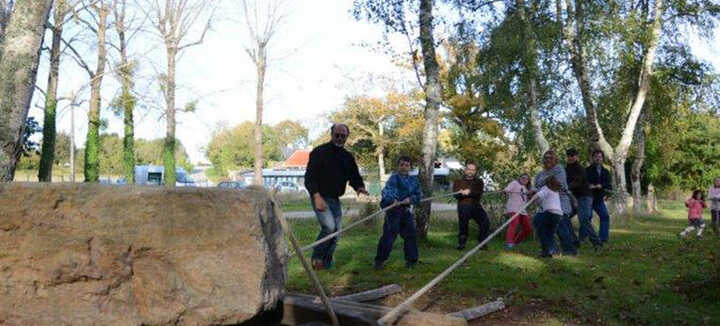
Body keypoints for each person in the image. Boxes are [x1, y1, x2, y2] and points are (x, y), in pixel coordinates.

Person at [304, 123, 369, 270]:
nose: (340, 138)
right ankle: (317, 258)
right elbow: (309, 178)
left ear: (347, 137)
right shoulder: (319, 152)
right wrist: (316, 196)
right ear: (331, 134)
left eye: (343, 136)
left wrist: (359, 187)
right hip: (319, 196)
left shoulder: (347, 157)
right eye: (337, 135)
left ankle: (326, 263)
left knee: (337, 232)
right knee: (329, 227)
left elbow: (354, 176)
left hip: (334, 199)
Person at [374, 156, 422, 270]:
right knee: (389, 236)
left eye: (406, 165)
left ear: (410, 167)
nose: (404, 167)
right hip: (393, 211)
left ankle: (411, 261)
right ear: (398, 166)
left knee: (410, 235)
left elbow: (418, 195)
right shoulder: (393, 178)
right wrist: (393, 200)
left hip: (406, 211)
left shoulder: (414, 180)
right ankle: (380, 260)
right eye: (401, 165)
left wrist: (410, 199)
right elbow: (387, 192)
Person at [533, 150, 577, 255]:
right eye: (546, 158)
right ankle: (552, 248)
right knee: (538, 222)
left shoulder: (558, 169)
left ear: (555, 160)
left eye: (550, 158)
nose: (548, 159)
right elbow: (536, 186)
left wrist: (543, 183)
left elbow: (557, 185)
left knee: (560, 226)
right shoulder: (540, 173)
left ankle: (570, 250)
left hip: (560, 202)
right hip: (545, 204)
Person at [565, 148, 602, 250]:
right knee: (564, 217)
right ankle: (574, 241)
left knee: (584, 219)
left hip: (585, 197)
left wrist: (566, 186)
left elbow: (577, 182)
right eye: (569, 155)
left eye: (573, 155)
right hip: (574, 198)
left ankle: (597, 243)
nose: (571, 157)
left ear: (577, 156)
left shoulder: (580, 168)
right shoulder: (566, 168)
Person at [452, 163, 489, 250]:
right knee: (463, 225)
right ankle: (461, 244)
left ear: (475, 171)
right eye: (469, 169)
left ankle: (482, 243)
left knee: (485, 222)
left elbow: (478, 193)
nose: (470, 171)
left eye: (472, 170)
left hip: (475, 206)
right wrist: (460, 193)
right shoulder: (458, 181)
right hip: (463, 206)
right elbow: (455, 195)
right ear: (465, 170)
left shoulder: (479, 182)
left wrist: (469, 192)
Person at [532, 176, 564, 258]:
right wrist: (537, 201)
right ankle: (554, 251)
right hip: (558, 214)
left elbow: (538, 195)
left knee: (541, 231)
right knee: (550, 233)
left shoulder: (546, 188)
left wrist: (532, 198)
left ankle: (546, 251)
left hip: (550, 212)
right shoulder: (555, 190)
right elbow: (542, 200)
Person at [586, 150, 612, 244]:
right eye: (596, 156)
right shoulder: (587, 170)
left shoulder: (605, 171)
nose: (598, 158)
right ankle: (584, 238)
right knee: (587, 217)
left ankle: (603, 238)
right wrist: (591, 186)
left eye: (600, 157)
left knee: (605, 216)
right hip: (588, 198)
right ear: (592, 158)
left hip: (599, 198)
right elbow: (584, 183)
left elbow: (608, 184)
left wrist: (602, 188)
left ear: (602, 159)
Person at [503, 173, 532, 249]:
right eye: (523, 178)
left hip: (522, 210)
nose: (524, 179)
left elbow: (526, 200)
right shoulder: (514, 183)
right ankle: (509, 243)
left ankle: (515, 243)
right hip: (514, 208)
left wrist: (530, 194)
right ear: (519, 178)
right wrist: (506, 191)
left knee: (527, 228)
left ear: (528, 181)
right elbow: (507, 189)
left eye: (526, 179)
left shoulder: (526, 189)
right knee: (514, 224)